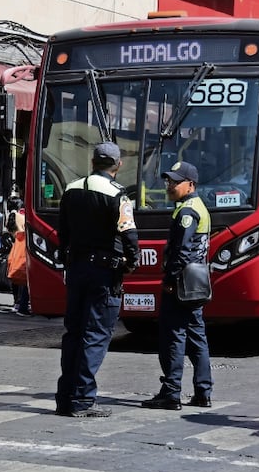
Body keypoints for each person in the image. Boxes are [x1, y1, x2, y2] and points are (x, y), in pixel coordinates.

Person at [55, 142, 139, 418]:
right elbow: (128, 234)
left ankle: (65, 396)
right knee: (96, 335)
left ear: (92, 162)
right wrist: (132, 261)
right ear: (117, 165)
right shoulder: (118, 194)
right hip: (104, 273)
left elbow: (62, 233)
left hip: (77, 269)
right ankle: (83, 399)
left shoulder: (71, 189)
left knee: (74, 333)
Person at [142, 161, 213, 410]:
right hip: (196, 283)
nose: (169, 186)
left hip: (182, 284)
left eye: (174, 182)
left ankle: (171, 392)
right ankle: (203, 392)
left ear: (190, 184)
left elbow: (181, 252)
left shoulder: (186, 212)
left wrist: (170, 281)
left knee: (173, 337)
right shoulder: (196, 206)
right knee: (197, 337)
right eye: (168, 181)